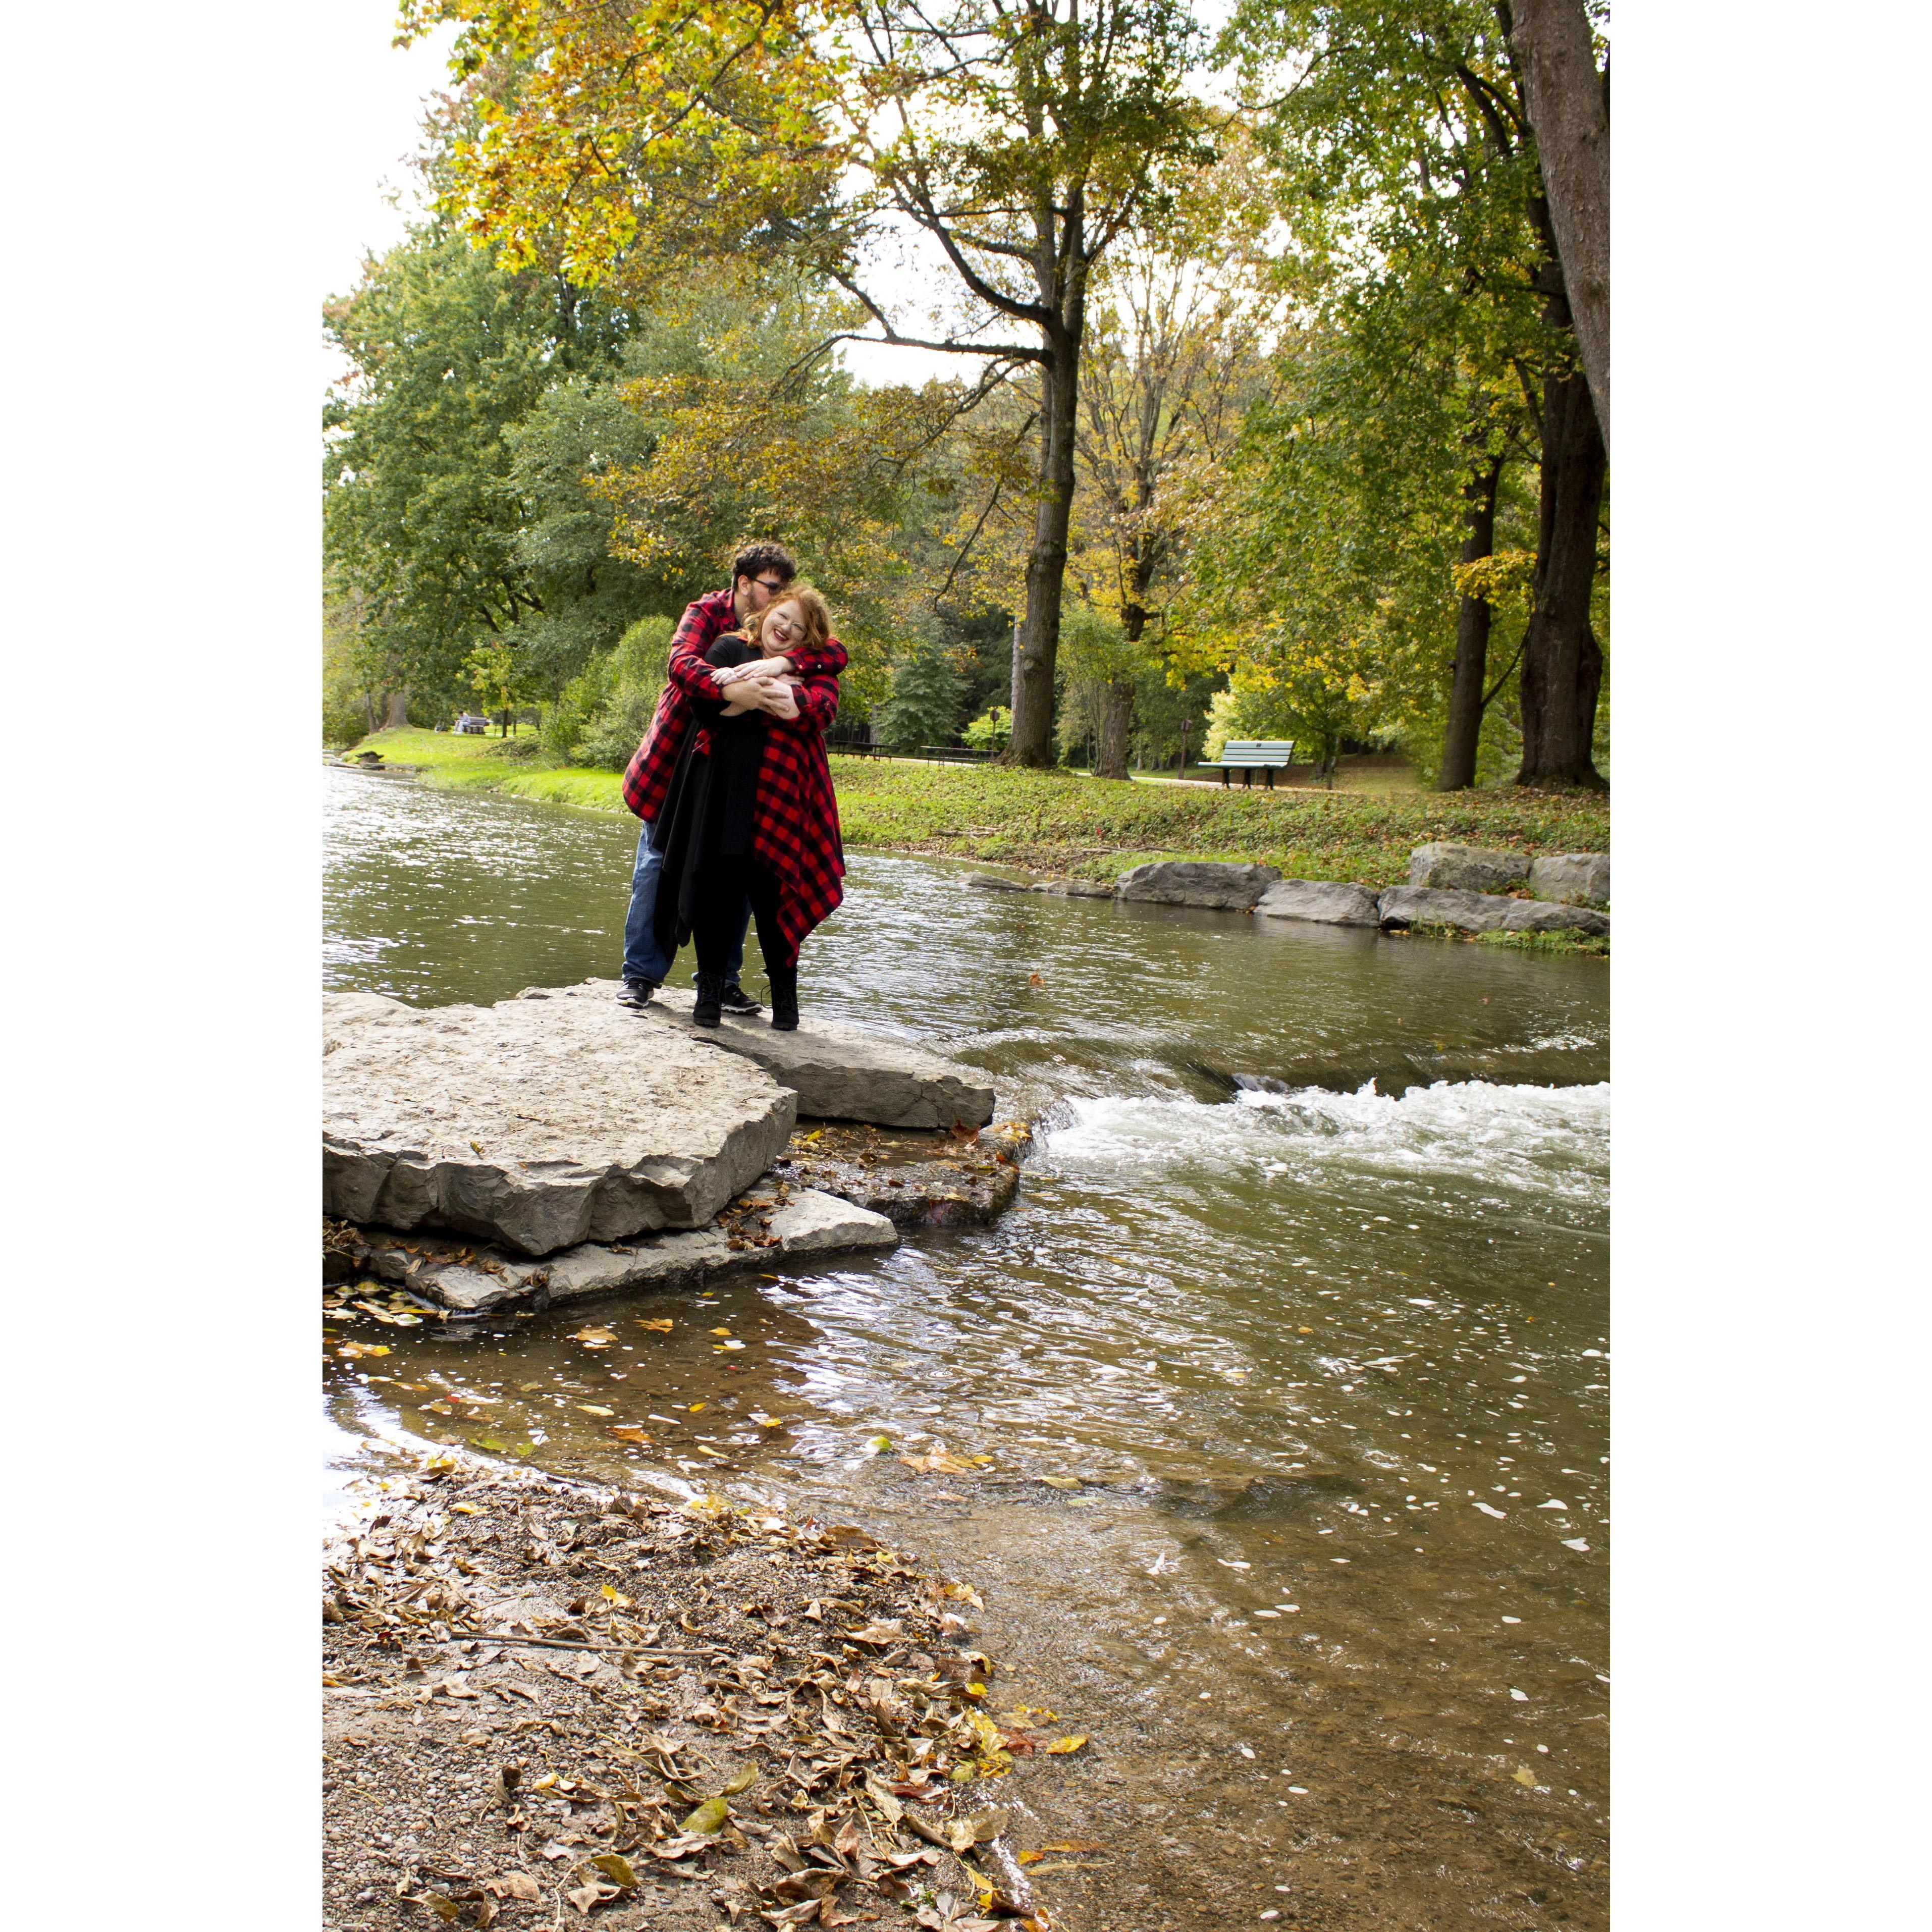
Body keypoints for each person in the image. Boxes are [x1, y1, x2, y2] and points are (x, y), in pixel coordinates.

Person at [616, 543, 848, 1010]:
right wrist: (734, 688)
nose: (782, 601)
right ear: (745, 585)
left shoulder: (782, 639)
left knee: (739, 869)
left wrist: (785, 663)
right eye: (773, 589)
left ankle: (720, 980)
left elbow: (835, 653)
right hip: (676, 755)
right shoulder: (707, 612)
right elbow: (681, 664)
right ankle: (641, 974)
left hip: (733, 774)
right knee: (658, 863)